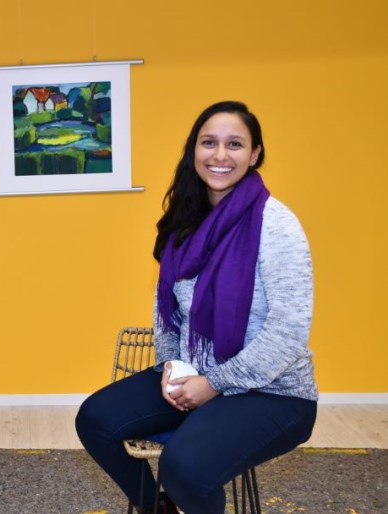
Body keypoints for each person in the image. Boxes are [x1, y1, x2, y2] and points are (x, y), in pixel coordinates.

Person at [75, 101, 318, 513]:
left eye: (234, 144)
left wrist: (214, 384)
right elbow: (167, 307)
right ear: (194, 150)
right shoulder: (185, 221)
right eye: (209, 143)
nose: (220, 155)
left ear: (255, 154)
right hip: (196, 373)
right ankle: (159, 509)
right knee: (95, 420)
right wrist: (171, 365)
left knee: (184, 466)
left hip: (273, 392)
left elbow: (288, 332)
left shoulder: (274, 224)